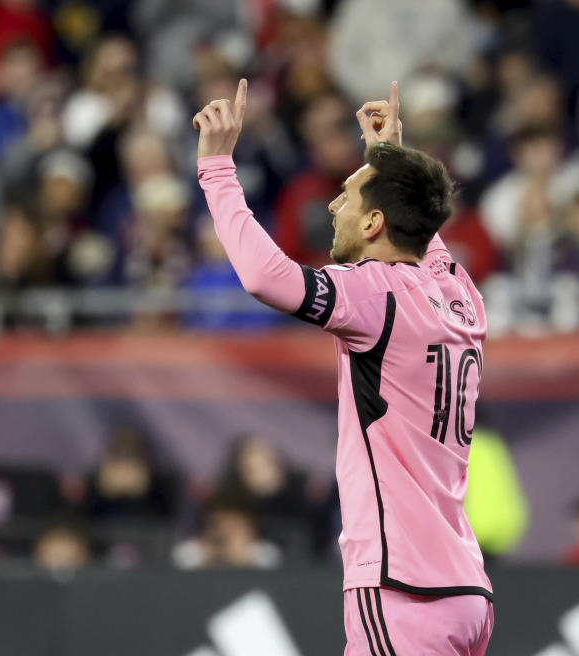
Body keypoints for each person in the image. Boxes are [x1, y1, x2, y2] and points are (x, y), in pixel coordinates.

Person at [193, 80, 493, 655]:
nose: (333, 205)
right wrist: (387, 158)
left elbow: (266, 278)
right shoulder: (461, 293)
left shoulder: (374, 292)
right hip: (464, 591)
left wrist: (217, 169)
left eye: (348, 196)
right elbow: (421, 229)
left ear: (374, 222)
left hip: (401, 586)